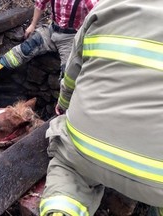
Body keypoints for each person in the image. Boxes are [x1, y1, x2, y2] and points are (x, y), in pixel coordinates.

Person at [39, 0, 163, 216]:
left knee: (68, 165)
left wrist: (62, 107)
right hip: (156, 175)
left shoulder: (106, 6)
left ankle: (61, 209)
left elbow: (71, 74)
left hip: (87, 151)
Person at [0, 0, 99, 82]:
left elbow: (99, 19)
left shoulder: (88, 2)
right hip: (51, 30)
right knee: (26, 48)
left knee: (69, 73)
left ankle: (64, 108)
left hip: (71, 38)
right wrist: (33, 25)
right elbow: (40, 4)